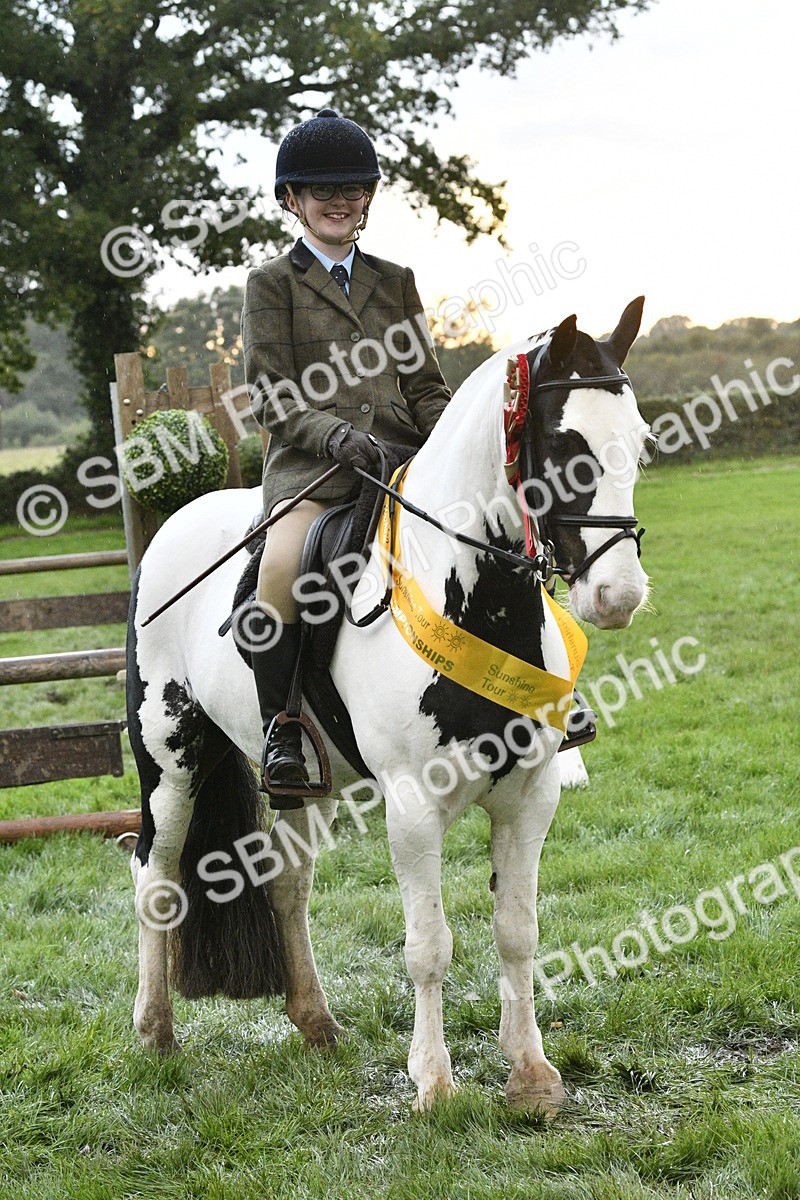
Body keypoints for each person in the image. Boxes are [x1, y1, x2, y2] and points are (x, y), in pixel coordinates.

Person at [242, 108, 451, 796]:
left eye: (352, 190)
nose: (339, 202)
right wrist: (331, 434)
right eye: (322, 192)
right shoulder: (271, 284)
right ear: (292, 201)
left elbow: (424, 386)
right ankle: (283, 728)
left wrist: (454, 440)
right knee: (279, 572)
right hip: (315, 469)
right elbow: (271, 394)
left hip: (400, 461)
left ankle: (545, 693)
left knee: (496, 530)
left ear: (368, 198)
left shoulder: (394, 281)